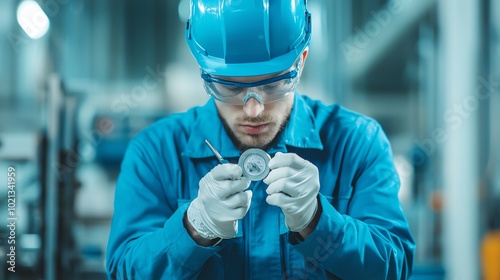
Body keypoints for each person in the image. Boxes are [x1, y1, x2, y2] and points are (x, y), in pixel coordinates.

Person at [105, 0, 415, 279]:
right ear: (204, 72)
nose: (253, 109)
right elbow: (124, 271)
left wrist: (318, 222)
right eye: (229, 87)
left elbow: (394, 267)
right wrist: (194, 228)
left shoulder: (357, 142)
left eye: (272, 85)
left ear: (301, 62)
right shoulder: (155, 152)